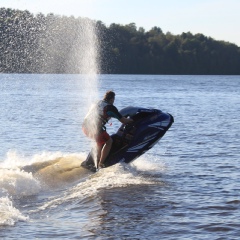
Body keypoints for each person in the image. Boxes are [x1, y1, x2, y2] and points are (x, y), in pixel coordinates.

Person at [82, 91, 133, 169]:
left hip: (85, 127)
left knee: (99, 142)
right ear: (112, 99)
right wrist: (132, 120)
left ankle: (91, 162)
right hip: (95, 129)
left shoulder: (97, 102)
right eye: (113, 99)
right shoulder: (110, 108)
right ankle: (100, 164)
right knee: (109, 142)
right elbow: (123, 121)